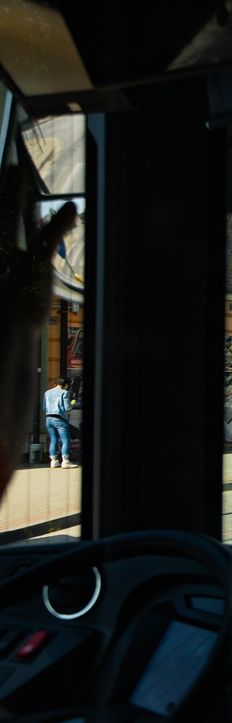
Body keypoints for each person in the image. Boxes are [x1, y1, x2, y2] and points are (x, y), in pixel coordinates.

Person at [0, 165, 79, 492]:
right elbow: (64, 408)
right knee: (62, 442)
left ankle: (51, 460)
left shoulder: (48, 392)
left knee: (51, 442)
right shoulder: (59, 394)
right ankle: (60, 462)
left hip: (45, 420)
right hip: (57, 419)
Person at [44, 376, 77, 468]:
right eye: (68, 385)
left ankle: (54, 461)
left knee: (53, 440)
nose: (68, 387)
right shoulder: (65, 392)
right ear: (65, 384)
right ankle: (65, 461)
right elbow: (67, 409)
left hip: (48, 419)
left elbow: (44, 407)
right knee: (66, 440)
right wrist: (73, 401)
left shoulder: (47, 393)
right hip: (60, 419)